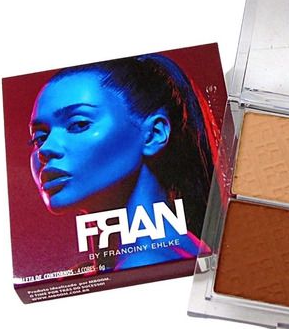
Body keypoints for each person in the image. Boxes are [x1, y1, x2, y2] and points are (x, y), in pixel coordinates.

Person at [28, 54, 217, 270]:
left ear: (154, 134)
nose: (45, 149)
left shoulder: (144, 264)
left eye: (78, 124)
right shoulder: (185, 248)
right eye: (39, 138)